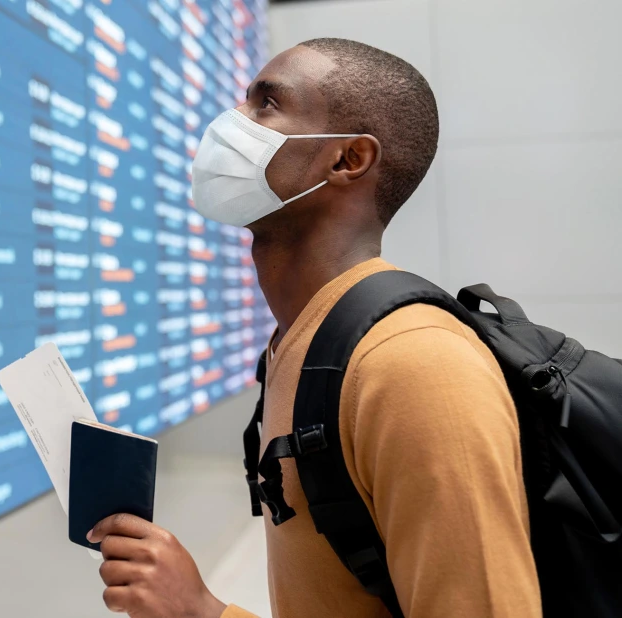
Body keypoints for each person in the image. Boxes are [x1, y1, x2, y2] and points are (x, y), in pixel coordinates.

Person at [87, 38, 544, 618]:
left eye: (266, 104)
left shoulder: (415, 366)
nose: (231, 124)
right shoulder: (302, 340)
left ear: (348, 159)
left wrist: (201, 612)